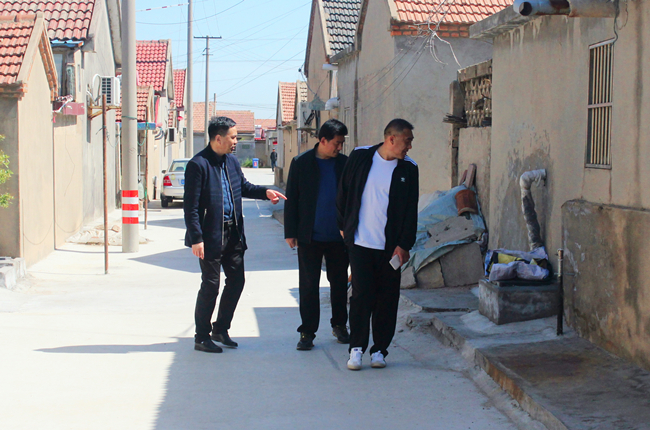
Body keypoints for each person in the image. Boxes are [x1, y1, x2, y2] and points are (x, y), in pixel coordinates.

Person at [184, 116, 286, 353]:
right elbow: (191, 207)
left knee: (237, 281)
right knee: (210, 286)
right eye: (233, 137)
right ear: (218, 138)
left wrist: (265, 192)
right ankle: (201, 336)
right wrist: (196, 238)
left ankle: (220, 328)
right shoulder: (198, 165)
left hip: (233, 233)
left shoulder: (231, 161)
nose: (236, 141)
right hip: (210, 237)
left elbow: (244, 187)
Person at [337, 118, 419, 370]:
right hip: (360, 243)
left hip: (390, 249)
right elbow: (343, 192)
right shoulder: (361, 156)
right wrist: (343, 227)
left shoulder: (409, 168)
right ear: (391, 139)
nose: (409, 147)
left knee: (387, 299)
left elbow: (410, 211)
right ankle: (356, 349)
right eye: (407, 141)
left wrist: (404, 245)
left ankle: (380, 350)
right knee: (361, 297)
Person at [284, 119, 350, 351]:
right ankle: (307, 332)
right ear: (323, 140)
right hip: (309, 236)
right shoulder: (301, 163)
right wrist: (290, 231)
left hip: (339, 237)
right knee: (309, 285)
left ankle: (339, 325)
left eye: (341, 143)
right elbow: (292, 198)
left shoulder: (345, 164)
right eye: (336, 143)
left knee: (339, 284)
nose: (339, 147)